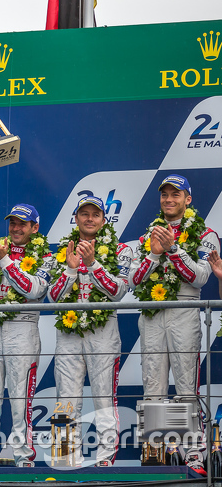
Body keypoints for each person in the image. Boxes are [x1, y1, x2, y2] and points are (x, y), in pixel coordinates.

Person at [130, 174, 220, 475]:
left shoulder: (206, 235)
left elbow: (201, 278)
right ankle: (155, 452)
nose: (169, 199)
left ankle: (194, 453)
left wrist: (173, 249)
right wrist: (155, 253)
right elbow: (133, 281)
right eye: (165, 195)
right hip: (152, 312)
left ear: (188, 199)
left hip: (184, 309)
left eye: (176, 195)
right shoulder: (147, 236)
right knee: (153, 386)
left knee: (186, 387)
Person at [47, 196, 132, 466]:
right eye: (84, 213)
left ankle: (105, 459)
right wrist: (71, 270)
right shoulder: (60, 252)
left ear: (104, 220)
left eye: (95, 214)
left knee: (104, 398)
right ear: (75, 218)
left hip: (103, 333)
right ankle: (65, 459)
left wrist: (94, 263)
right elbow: (54, 298)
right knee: (66, 400)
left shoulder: (120, 251)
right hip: (68, 335)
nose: (89, 219)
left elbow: (118, 293)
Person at [0, 203, 52, 466]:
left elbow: (33, 290)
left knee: (20, 398)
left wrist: (4, 261)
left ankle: (23, 459)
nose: (15, 228)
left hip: (22, 328)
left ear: (34, 228)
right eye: (12, 223)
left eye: (22, 224)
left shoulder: (46, 257)